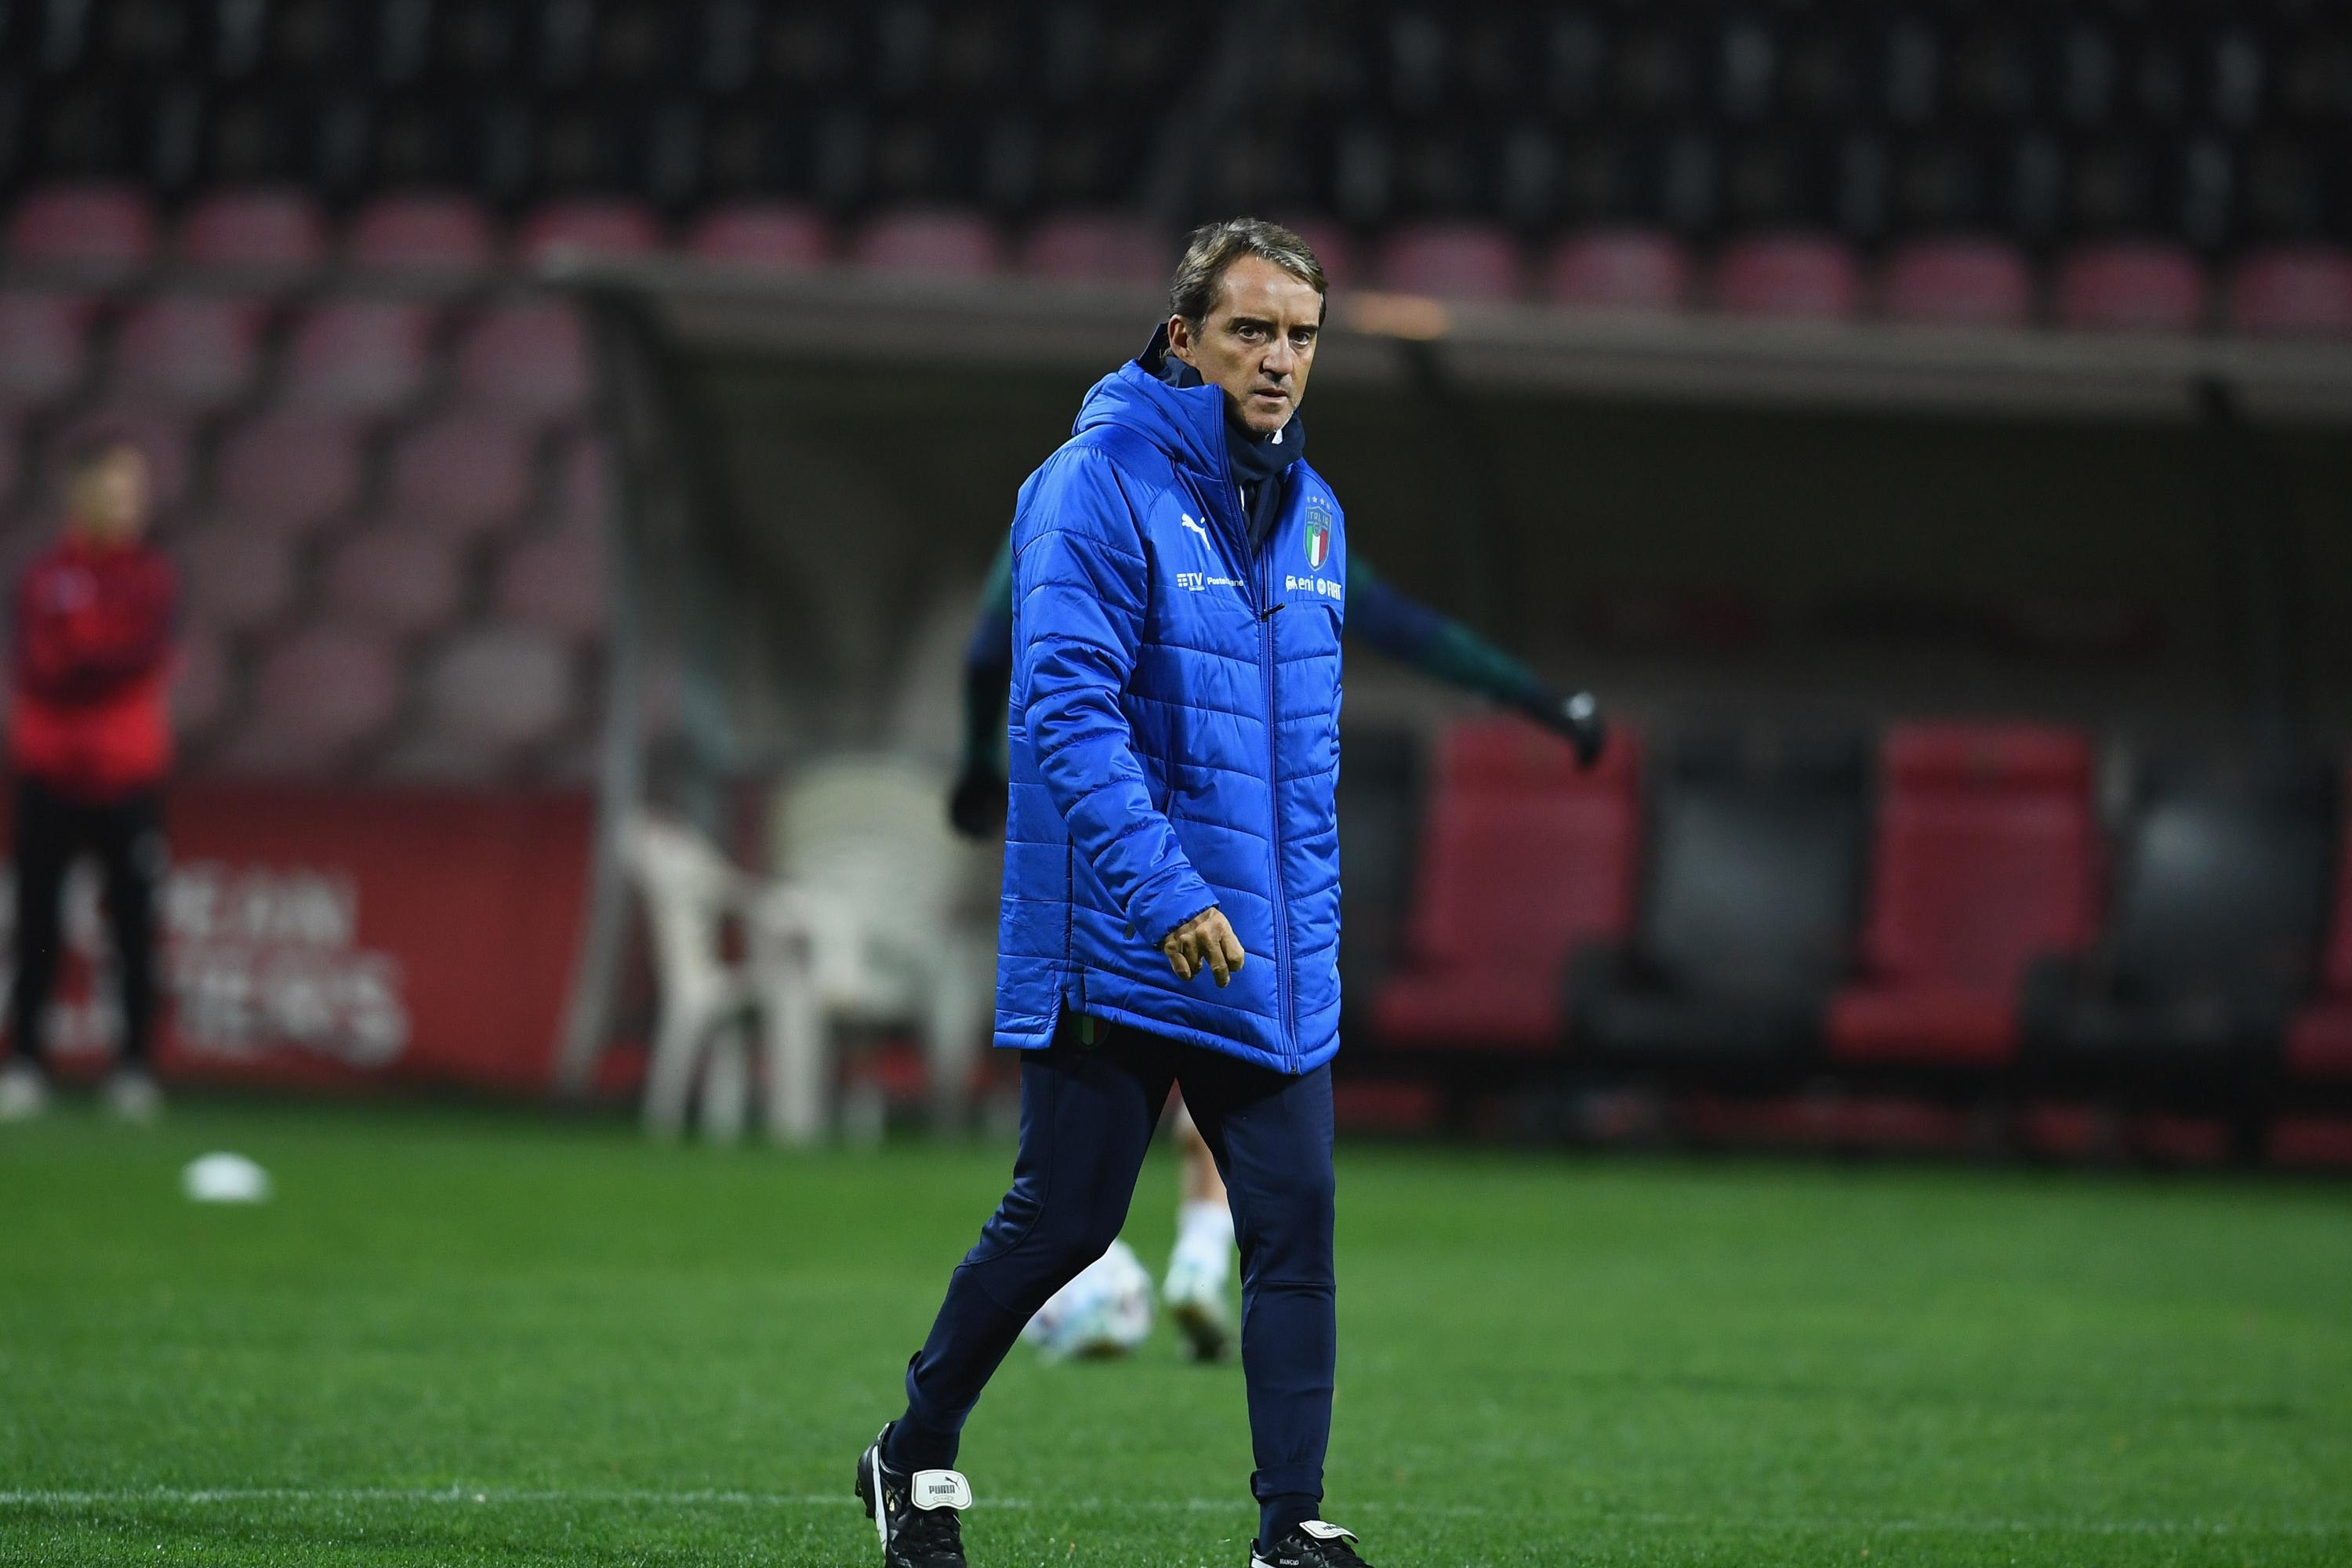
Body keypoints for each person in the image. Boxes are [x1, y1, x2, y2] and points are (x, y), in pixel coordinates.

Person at [858, 218, 1388, 1568]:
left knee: (1296, 1222)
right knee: (1067, 1224)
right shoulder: (1094, 481)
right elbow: (1063, 717)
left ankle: (1291, 1529)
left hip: (1259, 951)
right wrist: (1164, 893)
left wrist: (1304, 941)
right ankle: (911, 1453)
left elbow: (1302, 767)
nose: (1279, 361)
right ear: (1183, 339)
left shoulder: (1318, 516)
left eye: (1302, 336)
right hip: (1124, 935)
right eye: (1251, 331)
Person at [949, 399, 1605, 1370]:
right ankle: (1189, 1263)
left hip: (1101, 845)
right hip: (1198, 839)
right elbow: (1412, 630)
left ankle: (1147, 1264)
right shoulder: (1258, 518)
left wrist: (976, 770)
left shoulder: (1094, 500)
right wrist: (1540, 703)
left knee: (1125, 1089)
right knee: (1215, 1053)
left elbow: (983, 652)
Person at [0, 436, 178, 1123]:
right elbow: (41, 666)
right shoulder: (46, 575)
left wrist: (83, 653)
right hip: (49, 774)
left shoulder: (154, 577)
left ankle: (135, 1066)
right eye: (115, 488)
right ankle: (26, 1063)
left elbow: (139, 656)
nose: (128, 503)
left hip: (130, 777)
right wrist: (91, 659)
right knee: (39, 924)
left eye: (135, 490)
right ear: (83, 494)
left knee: (134, 926)